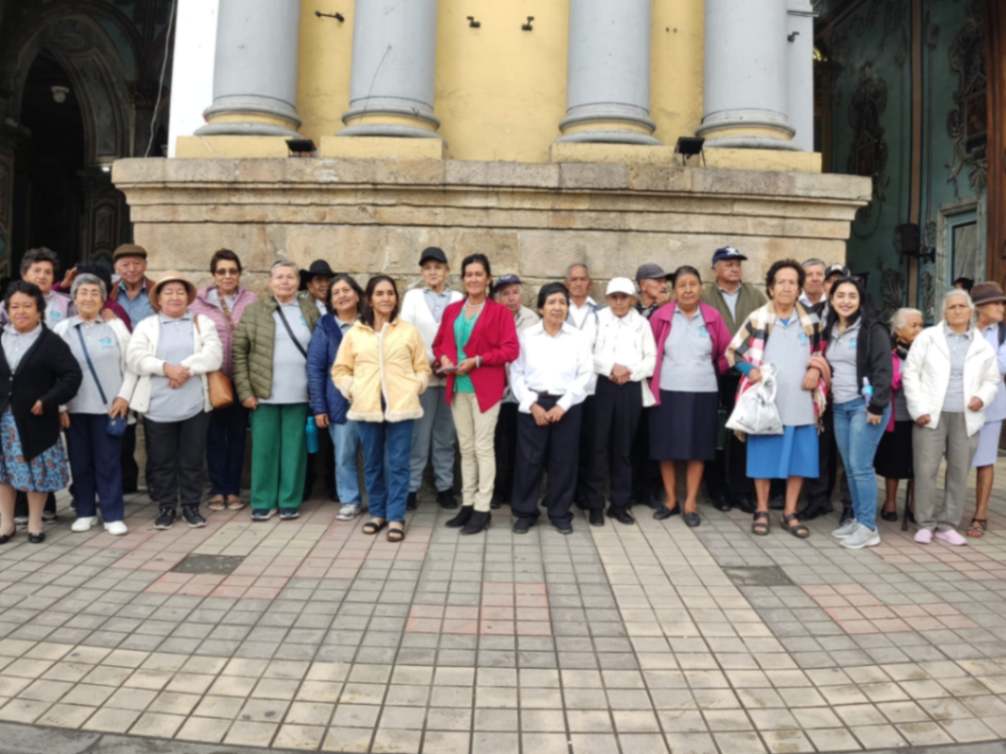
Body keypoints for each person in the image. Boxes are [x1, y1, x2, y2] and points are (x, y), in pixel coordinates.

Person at [727, 259, 830, 539]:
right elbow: (732, 353)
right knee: (763, 459)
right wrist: (751, 370)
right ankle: (761, 510)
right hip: (767, 404)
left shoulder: (812, 320)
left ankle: (789, 512)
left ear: (799, 289)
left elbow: (822, 354)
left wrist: (813, 369)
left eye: (792, 283)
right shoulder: (758, 318)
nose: (786, 287)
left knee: (800, 460)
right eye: (780, 282)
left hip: (801, 401)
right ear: (771, 288)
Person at [333, 275, 430, 542]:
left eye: (390, 293)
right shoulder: (356, 332)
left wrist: (415, 385)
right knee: (373, 463)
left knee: (398, 463)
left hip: (401, 405)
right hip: (368, 406)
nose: (386, 298)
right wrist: (352, 389)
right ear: (369, 299)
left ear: (396, 298)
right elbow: (340, 369)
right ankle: (377, 512)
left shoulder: (408, 331)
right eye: (380, 293)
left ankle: (396, 516)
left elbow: (423, 367)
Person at [902, 289, 999, 545]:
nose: (957, 311)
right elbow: (911, 372)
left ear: (970, 311)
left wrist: (982, 398)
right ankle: (924, 522)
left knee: (958, 471)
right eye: (951, 307)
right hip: (930, 415)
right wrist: (918, 408)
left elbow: (992, 379)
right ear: (944, 312)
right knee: (926, 469)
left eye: (961, 306)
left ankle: (948, 524)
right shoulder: (928, 338)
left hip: (967, 415)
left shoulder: (981, 344)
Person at [126, 272, 222, 529]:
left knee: (192, 459)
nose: (175, 296)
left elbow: (213, 355)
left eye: (180, 292)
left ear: (188, 297)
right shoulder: (147, 325)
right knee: (161, 460)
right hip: (158, 406)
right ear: (158, 298)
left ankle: (191, 506)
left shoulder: (203, 322)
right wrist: (165, 367)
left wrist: (184, 369)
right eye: (168, 292)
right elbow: (135, 357)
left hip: (195, 406)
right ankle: (166, 506)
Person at [433, 254, 519, 534]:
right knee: (466, 448)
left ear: (488, 279)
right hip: (457, 387)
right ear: (463, 279)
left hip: (485, 389)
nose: (473, 279)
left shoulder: (500, 312)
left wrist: (479, 360)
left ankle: (483, 508)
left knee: (483, 448)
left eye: (478, 274)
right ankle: (467, 503)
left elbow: (511, 349)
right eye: (468, 274)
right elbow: (439, 344)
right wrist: (445, 359)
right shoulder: (452, 310)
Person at [233, 260, 320, 522]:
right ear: (270, 282)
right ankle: (262, 501)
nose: (285, 282)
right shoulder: (255, 311)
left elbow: (319, 350)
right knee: (263, 450)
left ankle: (289, 501)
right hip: (263, 393)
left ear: (298, 282)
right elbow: (239, 352)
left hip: (300, 392)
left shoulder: (309, 310)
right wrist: (245, 391)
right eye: (279, 277)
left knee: (294, 450)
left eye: (290, 277)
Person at [649, 267, 732, 527]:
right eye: (682, 285)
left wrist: (708, 371)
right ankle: (671, 500)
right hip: (667, 391)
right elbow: (650, 351)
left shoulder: (712, 317)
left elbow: (726, 353)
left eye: (692, 284)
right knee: (667, 449)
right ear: (674, 291)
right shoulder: (661, 316)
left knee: (698, 449)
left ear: (700, 287)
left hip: (703, 392)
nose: (687, 289)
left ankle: (691, 503)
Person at [0, 281, 82, 543]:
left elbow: (71, 375)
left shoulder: (50, 342)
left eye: (27, 306)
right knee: (3, 471)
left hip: (36, 419)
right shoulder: (1, 336)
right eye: (14, 306)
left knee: (37, 470)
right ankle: (6, 522)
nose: (20, 311)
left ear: (39, 310)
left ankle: (35, 522)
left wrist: (49, 400)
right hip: (3, 419)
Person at [509, 282, 593, 535]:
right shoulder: (527, 337)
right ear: (541, 308)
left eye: (562, 302)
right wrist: (532, 404)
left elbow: (586, 374)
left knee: (564, 462)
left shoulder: (578, 338)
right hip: (533, 404)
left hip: (567, 405)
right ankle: (525, 512)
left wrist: (563, 405)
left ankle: (559, 512)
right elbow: (516, 372)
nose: (557, 307)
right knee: (528, 461)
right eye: (552, 302)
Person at [54, 274, 134, 535]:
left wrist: (124, 397)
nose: (88, 297)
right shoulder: (62, 329)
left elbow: (131, 365)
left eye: (94, 293)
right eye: (82, 292)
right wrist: (60, 407)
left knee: (109, 461)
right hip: (75, 409)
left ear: (103, 299)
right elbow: (53, 370)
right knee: (80, 462)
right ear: (74, 298)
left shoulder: (116, 328)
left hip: (109, 408)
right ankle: (85, 511)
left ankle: (112, 514)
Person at [824, 277, 892, 550]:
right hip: (840, 407)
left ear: (861, 300)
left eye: (852, 296)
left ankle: (868, 527)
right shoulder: (830, 329)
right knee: (850, 467)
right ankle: (856, 519)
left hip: (865, 408)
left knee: (861, 467)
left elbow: (883, 370)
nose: (846, 301)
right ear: (832, 300)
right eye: (840, 295)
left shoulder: (872, 329)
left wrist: (876, 405)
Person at [6, 248, 72, 523]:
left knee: (42, 450)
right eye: (36, 271)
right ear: (24, 274)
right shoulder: (7, 309)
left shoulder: (66, 304)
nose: (42, 276)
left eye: (47, 272)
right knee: (13, 452)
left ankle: (44, 508)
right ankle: (15, 511)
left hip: (47, 387)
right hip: (12, 395)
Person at [190, 249, 257, 511]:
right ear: (213, 275)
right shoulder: (198, 303)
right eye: (222, 271)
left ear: (239, 274)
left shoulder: (251, 300)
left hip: (241, 378)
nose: (227, 276)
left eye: (232, 271)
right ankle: (217, 489)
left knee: (238, 436)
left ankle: (233, 489)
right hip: (213, 380)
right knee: (214, 436)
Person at [587, 277, 656, 526]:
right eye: (614, 297)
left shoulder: (641, 324)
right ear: (607, 298)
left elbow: (651, 358)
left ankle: (619, 504)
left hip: (630, 387)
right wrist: (610, 368)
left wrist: (629, 372)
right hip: (602, 386)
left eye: (623, 297)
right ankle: (595, 504)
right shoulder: (597, 319)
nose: (619, 302)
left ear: (632, 299)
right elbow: (586, 352)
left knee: (623, 448)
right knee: (598, 446)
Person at [701, 246, 766, 514]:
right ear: (715, 267)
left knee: (744, 435)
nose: (734, 268)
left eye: (737, 263)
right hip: (716, 375)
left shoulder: (755, 295)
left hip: (747, 376)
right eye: (728, 263)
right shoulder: (705, 296)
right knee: (717, 435)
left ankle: (742, 492)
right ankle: (717, 491)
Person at [400, 247, 462, 510]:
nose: (433, 272)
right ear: (422, 272)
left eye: (438, 267)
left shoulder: (459, 297)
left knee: (445, 435)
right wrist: (432, 361)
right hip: (423, 375)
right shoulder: (413, 297)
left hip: (452, 376)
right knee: (419, 435)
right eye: (428, 268)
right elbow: (407, 334)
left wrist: (448, 362)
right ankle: (412, 487)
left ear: (447, 270)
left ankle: (445, 486)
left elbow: (463, 333)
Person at [308, 273, 365, 521]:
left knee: (374, 453)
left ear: (357, 294)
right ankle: (350, 500)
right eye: (336, 293)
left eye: (346, 290)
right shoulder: (326, 326)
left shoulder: (370, 322)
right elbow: (315, 368)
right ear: (330, 300)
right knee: (344, 454)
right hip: (339, 402)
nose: (342, 295)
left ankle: (375, 498)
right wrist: (319, 407)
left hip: (372, 399)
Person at [109, 243, 155, 495]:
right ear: (117, 268)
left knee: (154, 430)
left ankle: (155, 484)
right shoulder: (110, 295)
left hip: (150, 368)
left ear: (145, 266)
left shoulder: (157, 292)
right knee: (122, 428)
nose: (131, 269)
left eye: (137, 264)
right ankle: (125, 482)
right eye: (125, 265)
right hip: (120, 370)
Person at [490, 274, 539, 508]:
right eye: (505, 294)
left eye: (515, 292)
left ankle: (518, 492)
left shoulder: (531, 319)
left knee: (522, 445)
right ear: (497, 298)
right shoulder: (490, 317)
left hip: (523, 391)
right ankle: (498, 491)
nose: (511, 298)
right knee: (499, 443)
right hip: (497, 391)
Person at [875, 308, 924, 524]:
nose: (919, 329)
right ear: (899, 329)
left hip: (921, 415)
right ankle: (891, 502)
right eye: (914, 325)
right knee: (893, 460)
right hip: (898, 414)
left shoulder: (926, 351)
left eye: (921, 325)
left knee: (918, 462)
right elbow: (888, 380)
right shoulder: (890, 350)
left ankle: (914, 504)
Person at [631, 263, 673, 508]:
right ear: (643, 284)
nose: (662, 285)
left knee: (654, 436)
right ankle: (632, 488)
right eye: (656, 281)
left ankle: (651, 490)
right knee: (632, 437)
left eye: (663, 281)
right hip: (632, 380)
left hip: (659, 382)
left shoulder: (670, 310)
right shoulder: (630, 308)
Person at [968, 283, 1006, 538]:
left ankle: (980, 514)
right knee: (956, 460)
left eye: (1002, 303)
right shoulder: (962, 327)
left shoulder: (1003, 332)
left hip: (992, 405)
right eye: (996, 303)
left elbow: (1000, 367)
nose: (1002, 308)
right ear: (980, 308)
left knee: (986, 460)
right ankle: (948, 512)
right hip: (958, 404)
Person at [299, 260, 338, 501]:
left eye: (327, 280)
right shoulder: (301, 308)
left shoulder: (337, 306)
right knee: (308, 433)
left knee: (333, 437)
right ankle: (307, 483)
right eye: (318, 280)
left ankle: (333, 485)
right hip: (308, 376)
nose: (323, 285)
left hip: (332, 380)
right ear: (309, 284)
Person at [565, 263, 601, 511]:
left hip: (591, 388)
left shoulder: (600, 312)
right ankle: (564, 493)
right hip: (563, 388)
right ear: (567, 282)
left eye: (582, 279)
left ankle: (586, 494)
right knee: (565, 446)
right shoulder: (557, 307)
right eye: (573, 279)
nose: (578, 283)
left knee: (590, 444)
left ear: (589, 283)